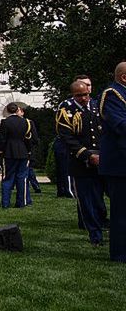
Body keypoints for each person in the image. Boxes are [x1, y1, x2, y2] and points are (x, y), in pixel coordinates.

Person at [56, 79, 107, 246]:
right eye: (79, 96)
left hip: (102, 160)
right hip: (81, 163)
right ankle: (95, 235)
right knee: (87, 201)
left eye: (86, 94)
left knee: (100, 200)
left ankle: (103, 225)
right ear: (73, 95)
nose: (84, 98)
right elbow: (66, 137)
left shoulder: (96, 106)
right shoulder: (66, 110)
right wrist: (85, 155)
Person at [99, 62, 126, 262]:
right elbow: (120, 126)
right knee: (121, 212)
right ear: (123, 77)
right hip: (120, 163)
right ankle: (120, 253)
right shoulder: (112, 95)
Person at [0, 102, 32, 208]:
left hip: (9, 152)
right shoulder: (25, 122)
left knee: (8, 177)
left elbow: (2, 138)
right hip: (22, 151)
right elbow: (28, 138)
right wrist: (28, 150)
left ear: (7, 111)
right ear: (17, 110)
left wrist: (0, 150)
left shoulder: (5, 122)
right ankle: (21, 202)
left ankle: (6, 202)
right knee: (21, 177)